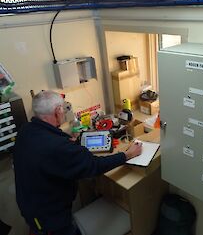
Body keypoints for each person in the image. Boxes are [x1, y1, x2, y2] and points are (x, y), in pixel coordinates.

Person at [13, 90, 142, 235]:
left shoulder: (26, 130)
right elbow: (94, 165)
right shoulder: (58, 147)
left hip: (31, 208)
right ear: (57, 111)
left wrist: (64, 140)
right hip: (50, 220)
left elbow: (48, 146)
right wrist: (127, 154)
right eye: (63, 108)